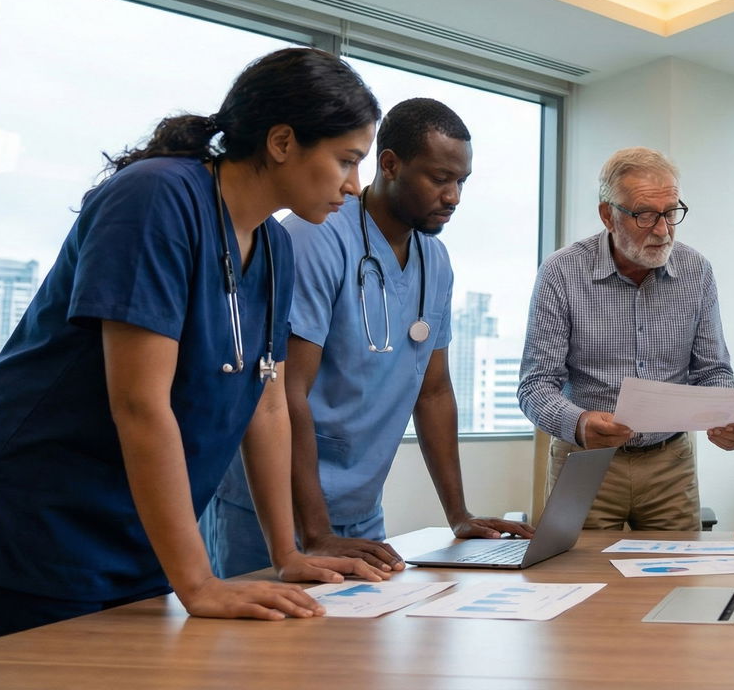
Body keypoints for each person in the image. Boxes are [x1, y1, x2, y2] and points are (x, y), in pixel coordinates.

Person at [0, 48, 390, 653]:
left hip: (134, 539)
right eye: (346, 160)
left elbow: (265, 407)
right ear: (283, 141)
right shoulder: (155, 198)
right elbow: (138, 403)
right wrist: (197, 582)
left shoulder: (273, 246)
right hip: (27, 523)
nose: (355, 185)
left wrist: (287, 552)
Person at [201, 98, 532, 578]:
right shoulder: (317, 236)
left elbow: (434, 391)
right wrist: (314, 534)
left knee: (356, 650)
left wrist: (458, 517)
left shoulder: (434, 262)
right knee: (266, 648)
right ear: (391, 164)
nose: (454, 196)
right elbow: (287, 393)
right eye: (440, 178)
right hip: (272, 508)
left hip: (359, 514)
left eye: (462, 181)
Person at [517, 147, 734, 530]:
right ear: (608, 215)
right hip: (585, 459)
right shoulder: (561, 272)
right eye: (645, 215)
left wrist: (727, 416)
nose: (662, 230)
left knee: (676, 583)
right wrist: (579, 423)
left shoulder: (697, 272)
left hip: (669, 465)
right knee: (581, 583)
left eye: (671, 212)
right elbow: (535, 385)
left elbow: (712, 371)